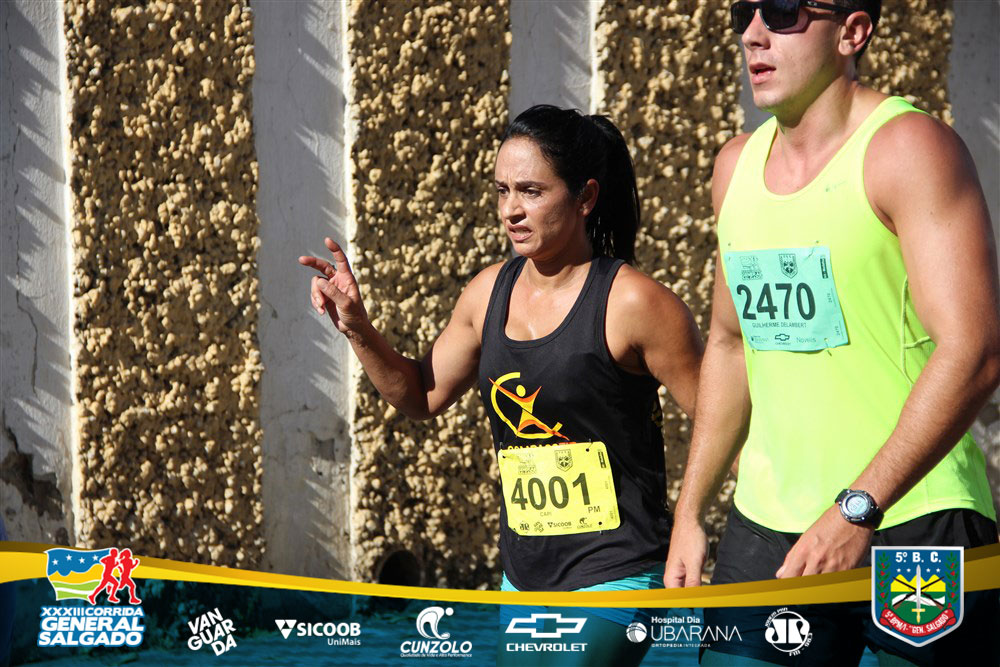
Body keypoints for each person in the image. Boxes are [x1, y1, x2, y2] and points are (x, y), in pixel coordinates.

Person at [300, 104, 704, 666]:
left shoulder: (635, 303)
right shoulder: (487, 293)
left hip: (618, 568)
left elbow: (720, 416)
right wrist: (357, 328)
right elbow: (420, 394)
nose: (511, 210)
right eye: (502, 191)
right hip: (525, 577)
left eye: (531, 192)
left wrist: (699, 522)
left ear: (585, 197)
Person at [664, 1, 1000, 665]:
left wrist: (857, 508)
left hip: (912, 523)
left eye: (783, 11)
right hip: (769, 528)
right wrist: (689, 510)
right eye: (743, 11)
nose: (753, 34)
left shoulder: (909, 148)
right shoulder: (734, 167)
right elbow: (730, 345)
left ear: (852, 32)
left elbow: (976, 350)